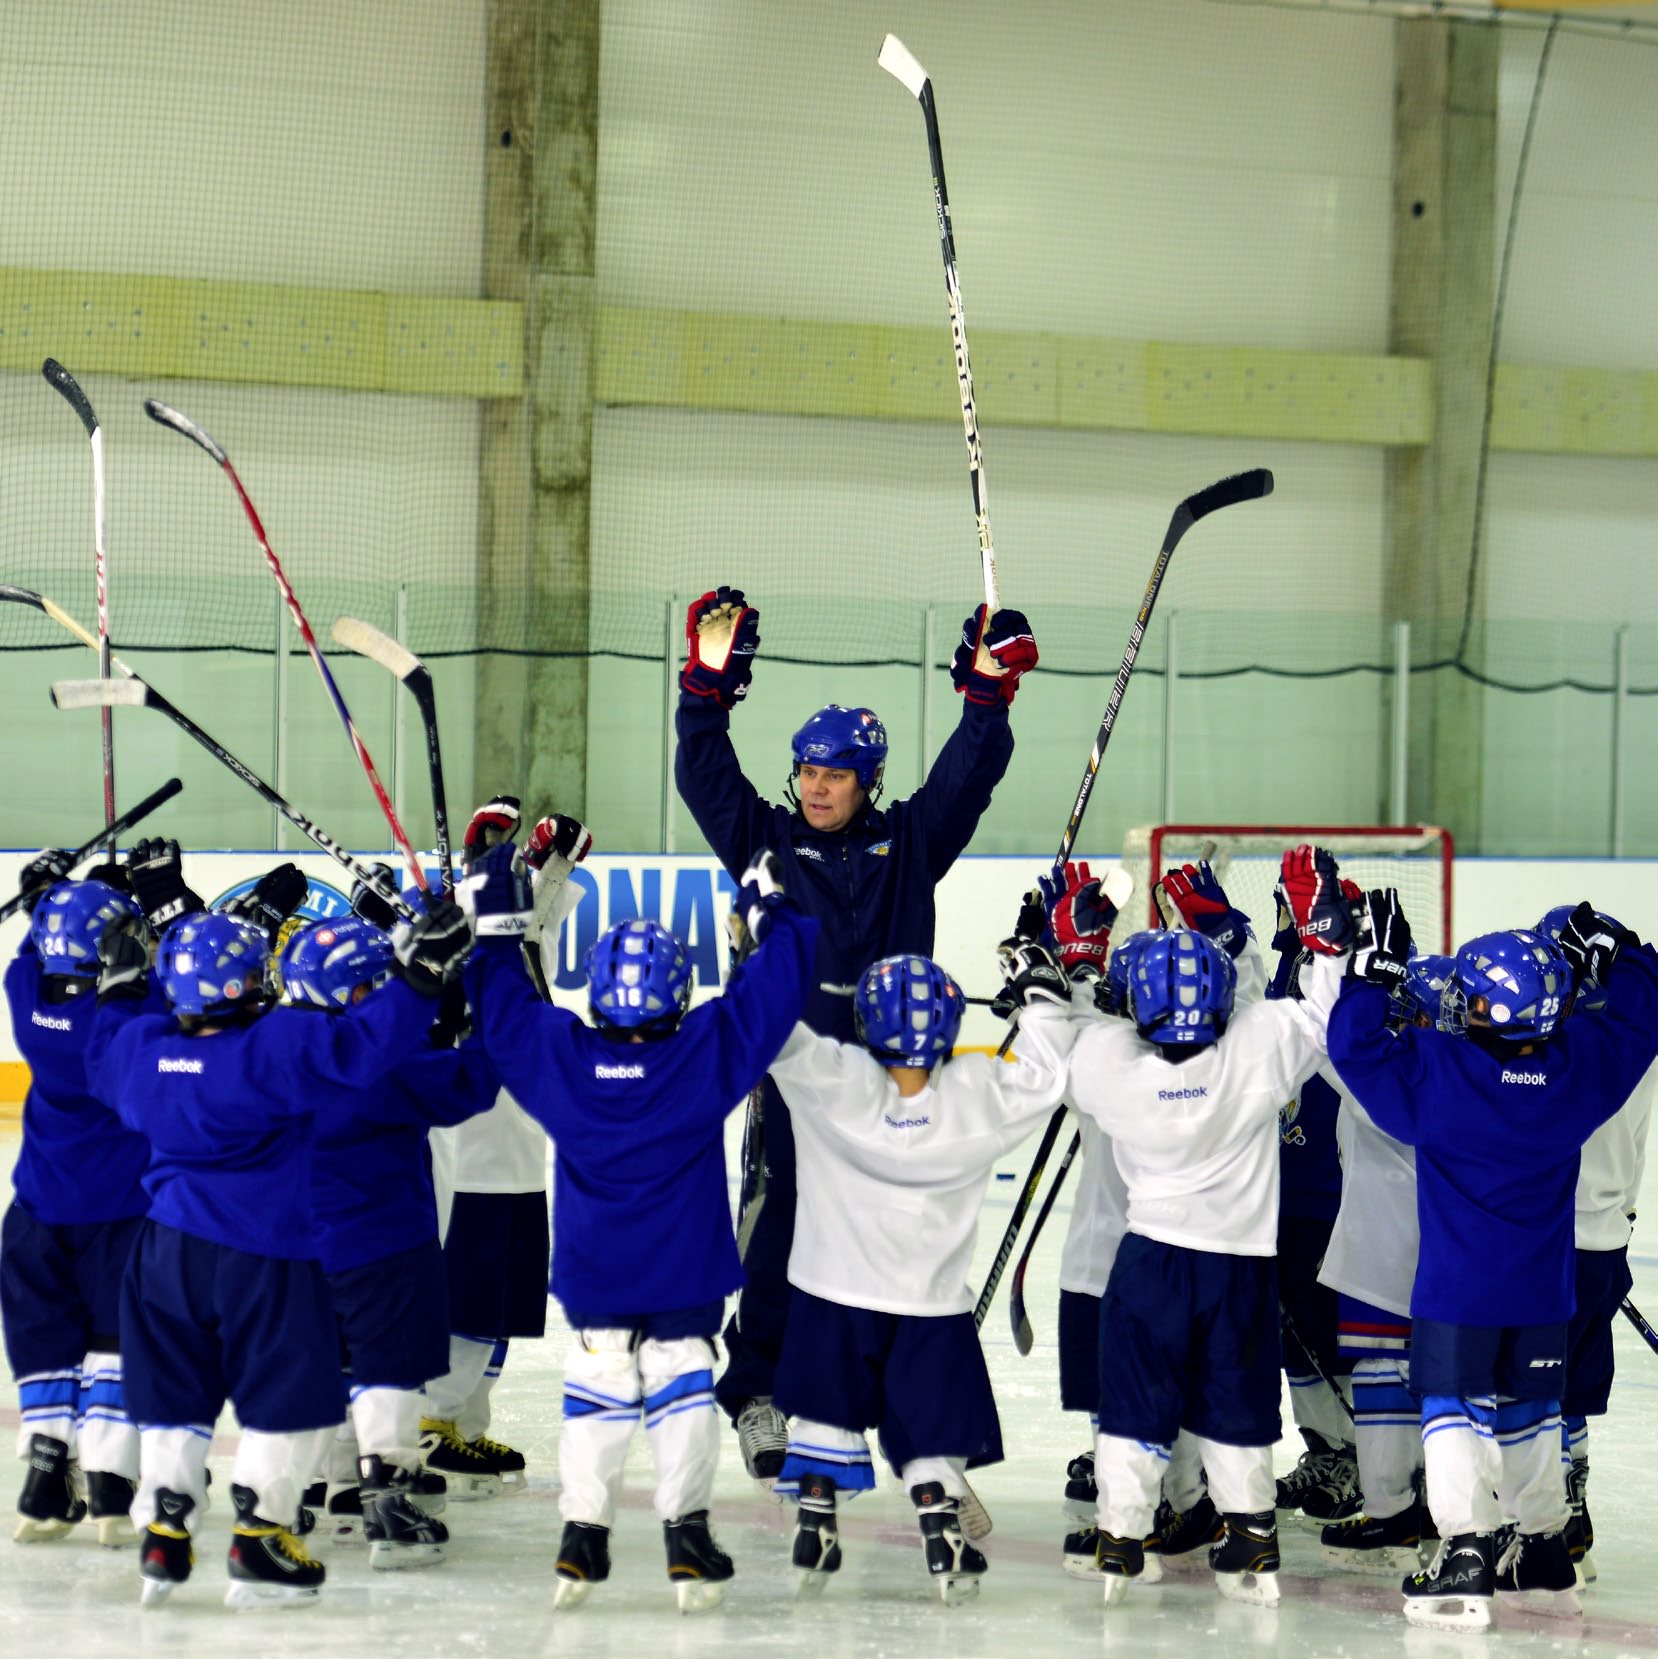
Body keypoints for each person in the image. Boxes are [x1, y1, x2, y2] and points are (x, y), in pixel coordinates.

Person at [673, 584, 1035, 1486]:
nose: (817, 786)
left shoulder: (911, 841)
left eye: (835, 773)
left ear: (866, 779)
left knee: (902, 1240)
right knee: (777, 1227)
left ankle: (907, 1410)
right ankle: (757, 1388)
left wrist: (986, 696)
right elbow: (702, 770)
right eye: (807, 770)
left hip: (895, 1083)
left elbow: (970, 773)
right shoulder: (765, 840)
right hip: (797, 1083)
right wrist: (705, 689)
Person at [461, 834, 818, 1614]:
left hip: (596, 1274)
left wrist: (491, 918)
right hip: (685, 1271)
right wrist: (773, 912)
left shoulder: (561, 1058)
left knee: (595, 1391)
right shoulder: (702, 1054)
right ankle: (686, 1535)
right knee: (683, 1390)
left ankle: (581, 1536)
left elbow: (503, 1008)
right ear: (677, 990)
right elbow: (778, 989)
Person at [84, 894, 473, 1608]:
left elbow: (103, 1044)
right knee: (291, 1400)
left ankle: (165, 1527)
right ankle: (262, 1535)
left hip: (164, 1253)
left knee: (175, 1396)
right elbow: (362, 1046)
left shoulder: (140, 1050)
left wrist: (114, 984)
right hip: (262, 1254)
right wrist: (423, 978)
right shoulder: (273, 1047)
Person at [1324, 903, 1658, 1631]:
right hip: (1543, 1294)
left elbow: (1353, 1049)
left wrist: (1366, 980)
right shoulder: (1577, 1074)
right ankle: (1539, 1546)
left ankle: (1467, 1548)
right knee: (1533, 1415)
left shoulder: (1442, 1076)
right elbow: (1639, 1018)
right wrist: (1627, 954)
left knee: (1450, 1412)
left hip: (1458, 1291)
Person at [1052, 846, 1355, 1610]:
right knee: (1237, 1400)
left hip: (1148, 1261)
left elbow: (1071, 1029)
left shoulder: (1114, 1066)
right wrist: (1323, 939)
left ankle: (1121, 1533)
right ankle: (1251, 1533)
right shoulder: (1255, 1050)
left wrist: (1076, 955)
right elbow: (1323, 1015)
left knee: (1133, 1400)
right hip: (1238, 1267)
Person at [763, 940, 1077, 1604]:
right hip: (930, 1307)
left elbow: (771, 1027)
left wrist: (761, 948)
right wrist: (1043, 990)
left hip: (830, 1297)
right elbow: (1046, 1067)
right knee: (933, 1425)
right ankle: (941, 1526)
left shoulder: (835, 1078)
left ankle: (815, 1520)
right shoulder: (978, 1093)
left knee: (824, 1411)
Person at [282, 916, 498, 1568]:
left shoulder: (270, 1043)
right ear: (354, 991)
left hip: (297, 1243)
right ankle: (389, 1492)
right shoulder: (388, 1064)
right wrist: (468, 1018)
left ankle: (331, 1482)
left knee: (328, 1363)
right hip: (384, 1243)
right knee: (388, 1367)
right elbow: (473, 1084)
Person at [3, 872, 154, 1545]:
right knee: (113, 1347)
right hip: (117, 1215)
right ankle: (109, 1488)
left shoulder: (24, 994)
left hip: (35, 1210)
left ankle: (41, 1482)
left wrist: (48, 903)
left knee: (45, 1347)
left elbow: (29, 956)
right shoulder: (127, 1020)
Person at [1315, 952, 1451, 1574]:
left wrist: (1331, 962)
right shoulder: (1467, 1067)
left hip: (1384, 1252)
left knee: (1380, 1375)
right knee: (1447, 1383)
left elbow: (1328, 1041)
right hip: (1450, 1253)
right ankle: (1434, 1503)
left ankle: (1391, 1508)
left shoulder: (1385, 1073)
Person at [1536, 905, 1655, 1585]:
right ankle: (1572, 1501)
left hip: (1554, 1243)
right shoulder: (1633, 1038)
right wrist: (1625, 952)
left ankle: (1545, 1514)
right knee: (1572, 1389)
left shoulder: (1574, 1048)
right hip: (1608, 1243)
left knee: (1533, 1387)